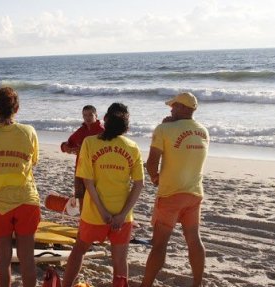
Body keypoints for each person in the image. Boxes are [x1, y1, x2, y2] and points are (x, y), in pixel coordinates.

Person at [62, 103, 144, 287]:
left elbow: (87, 181)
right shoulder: (132, 147)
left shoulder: (90, 143)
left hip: (94, 213)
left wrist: (102, 212)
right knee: (120, 260)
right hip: (122, 216)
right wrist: (122, 215)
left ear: (104, 120)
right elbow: (139, 184)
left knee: (79, 250)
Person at [140, 92, 209, 287]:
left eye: (175, 106)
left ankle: (146, 285)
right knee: (194, 239)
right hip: (194, 193)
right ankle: (197, 283)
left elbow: (152, 163)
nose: (171, 109)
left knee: (159, 244)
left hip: (171, 193)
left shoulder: (164, 129)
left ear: (184, 108)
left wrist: (155, 178)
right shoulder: (203, 131)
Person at [0, 87, 40, 287]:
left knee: (2, 259)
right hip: (26, 200)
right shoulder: (28, 131)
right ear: (17, 108)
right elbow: (35, 161)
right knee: (27, 259)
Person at [60, 105, 104, 212]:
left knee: (97, 200)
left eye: (90, 115)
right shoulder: (81, 130)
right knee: (81, 198)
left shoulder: (102, 131)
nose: (87, 118)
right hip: (81, 170)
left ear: (96, 116)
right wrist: (67, 148)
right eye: (85, 115)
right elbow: (65, 144)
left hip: (97, 171)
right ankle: (83, 223)